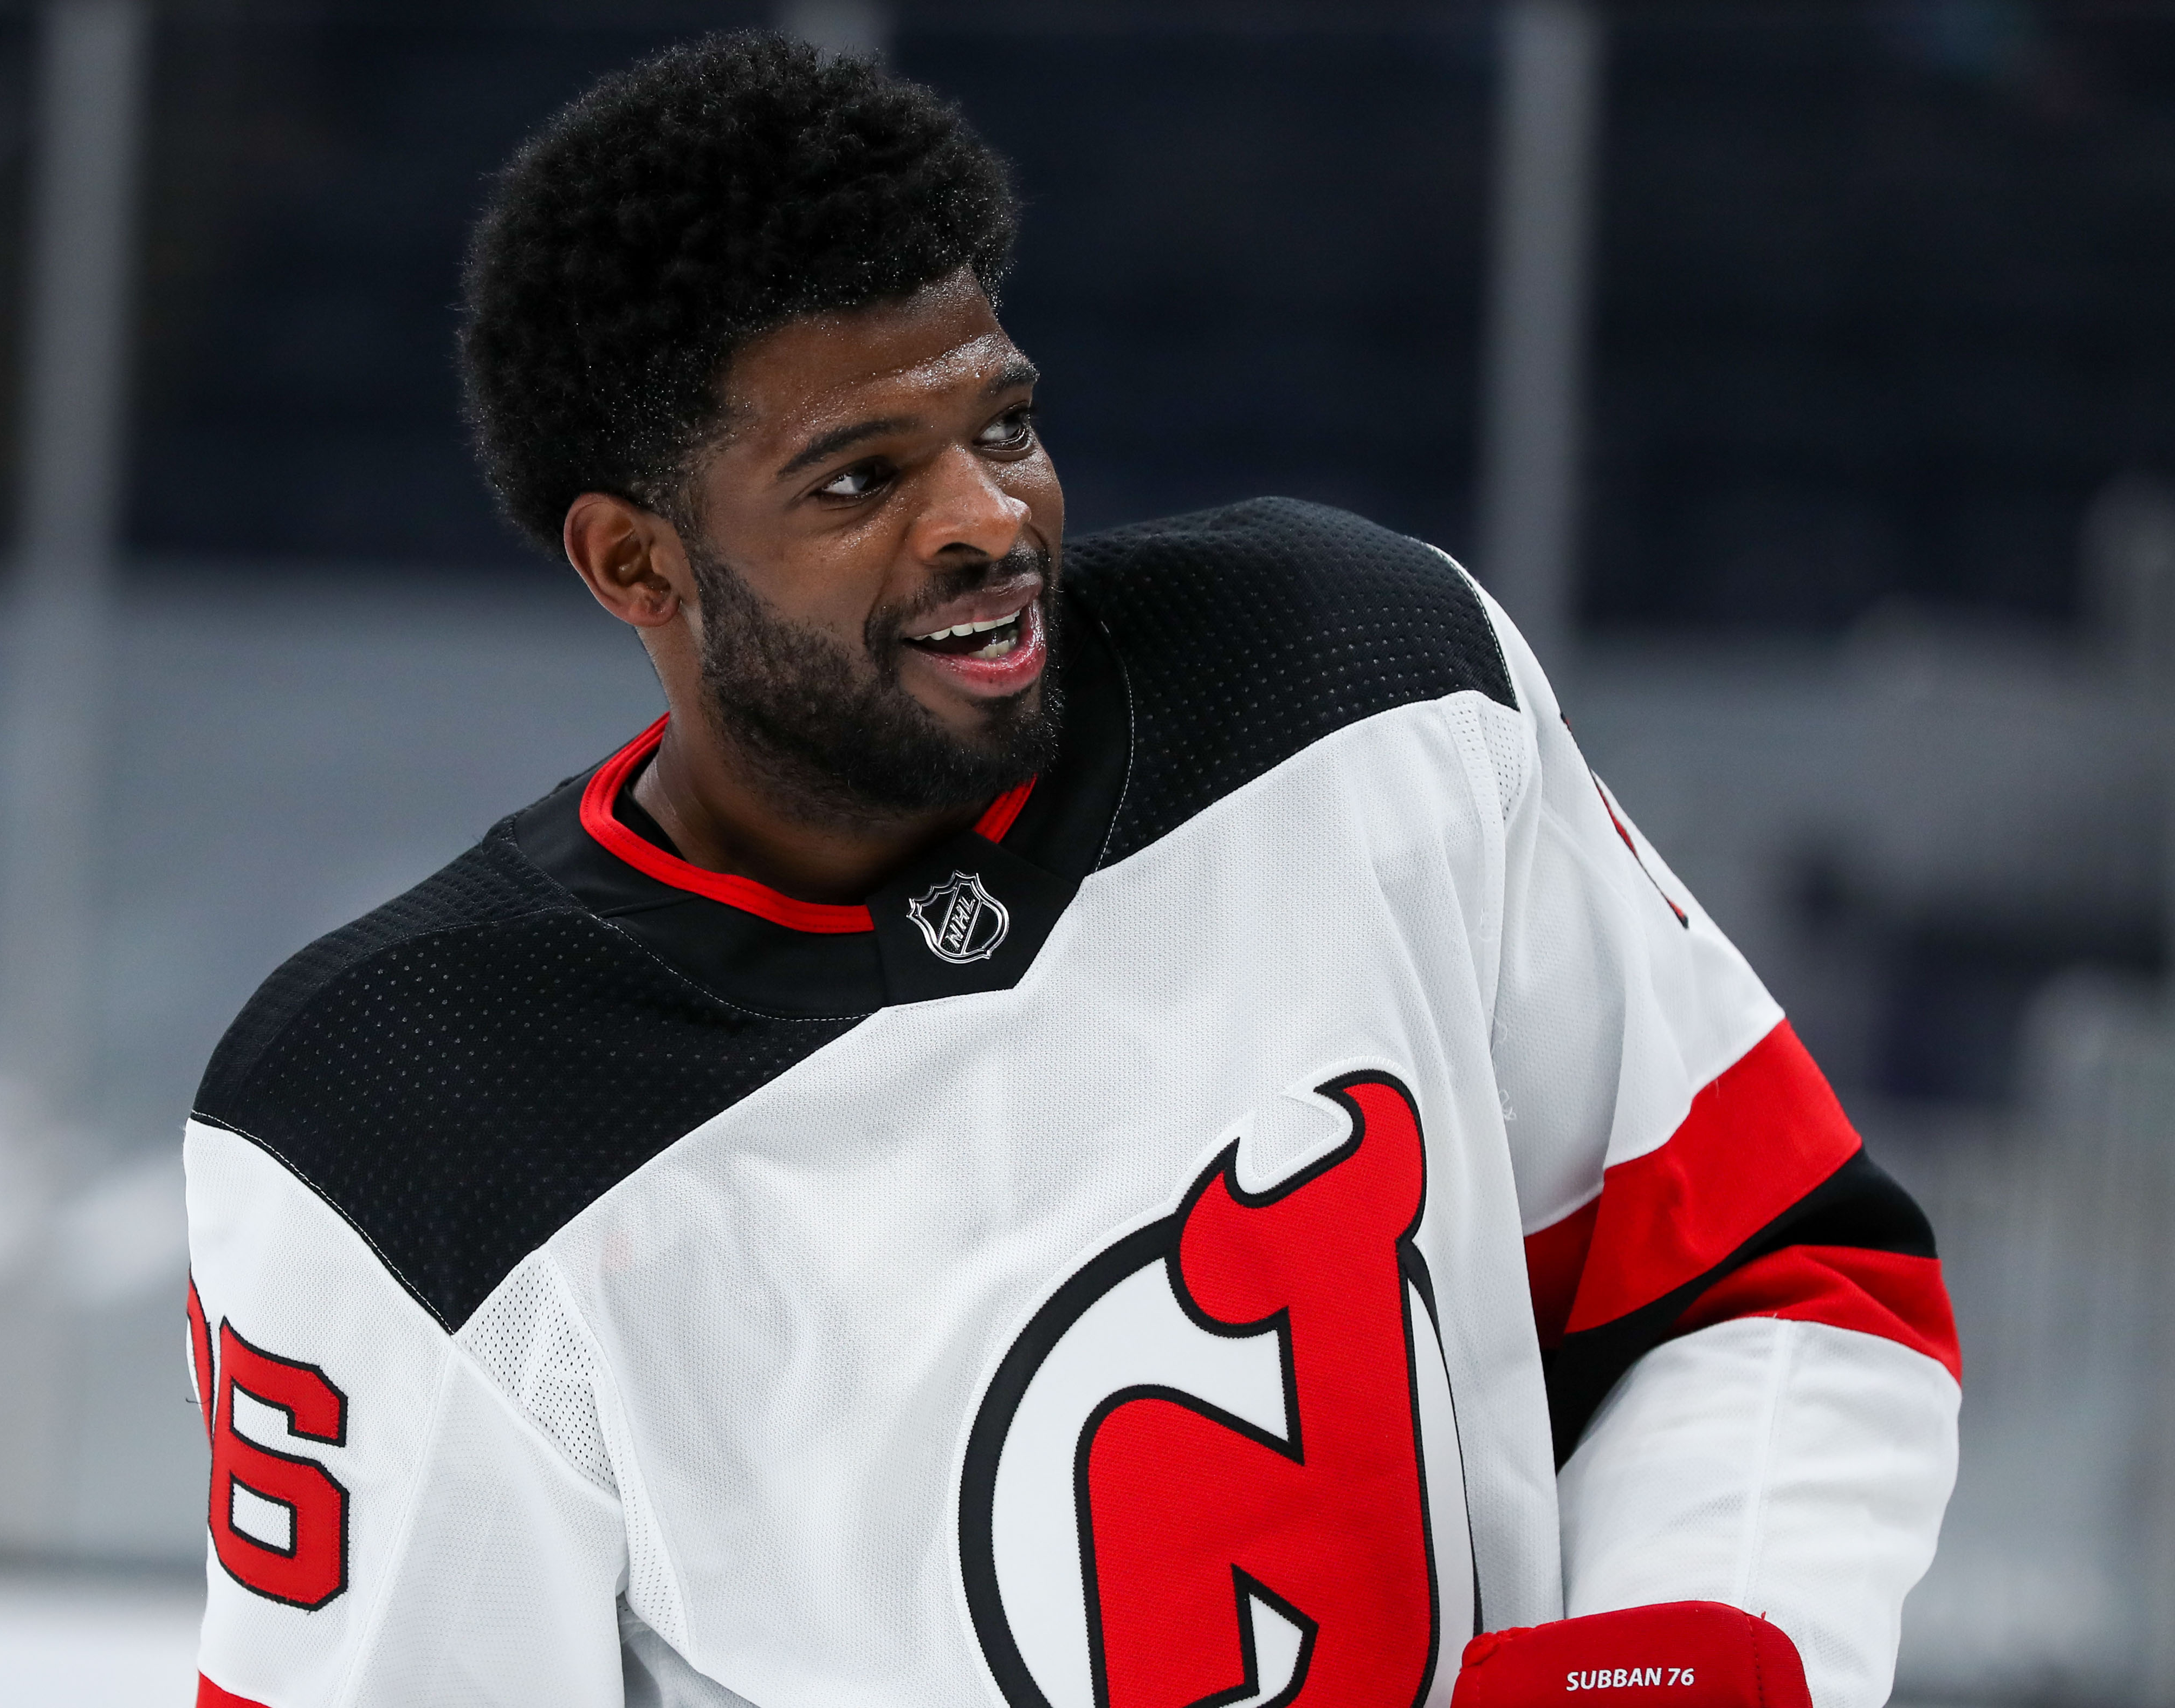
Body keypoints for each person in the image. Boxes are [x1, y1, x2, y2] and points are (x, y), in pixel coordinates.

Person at [180, 32, 1957, 1708]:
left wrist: (1703, 1643)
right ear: (636, 564)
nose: (984, 515)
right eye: (860, 476)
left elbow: (1776, 1272)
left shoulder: (1353, 687)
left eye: (1002, 426)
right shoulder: (393, 1112)